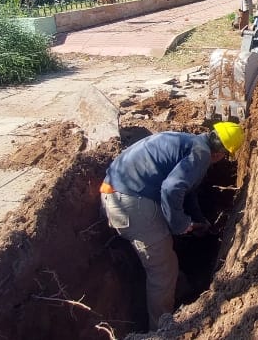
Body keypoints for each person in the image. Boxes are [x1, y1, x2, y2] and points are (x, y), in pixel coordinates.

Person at [100, 121, 245, 328]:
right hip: (129, 204)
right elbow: (171, 189)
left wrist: (198, 219)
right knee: (162, 270)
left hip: (115, 192)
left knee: (165, 248)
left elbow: (187, 190)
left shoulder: (190, 143)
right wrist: (180, 224)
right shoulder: (201, 155)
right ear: (221, 154)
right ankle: (161, 328)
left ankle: (180, 289)